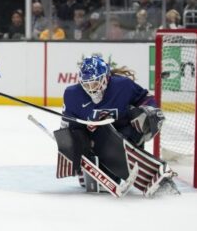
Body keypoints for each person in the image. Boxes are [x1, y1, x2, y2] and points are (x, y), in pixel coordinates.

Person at [55, 56, 178, 197]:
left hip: (127, 135)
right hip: (97, 142)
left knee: (141, 120)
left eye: (95, 84)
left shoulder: (123, 86)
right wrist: (73, 147)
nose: (91, 89)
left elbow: (146, 99)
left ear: (106, 78)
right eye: (87, 85)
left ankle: (152, 172)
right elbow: (68, 129)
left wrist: (147, 112)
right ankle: (93, 170)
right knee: (99, 183)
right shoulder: (72, 94)